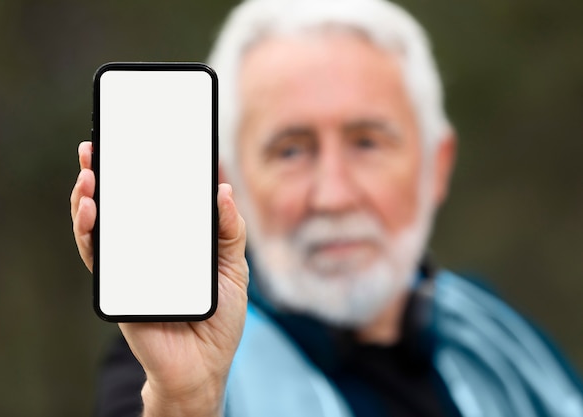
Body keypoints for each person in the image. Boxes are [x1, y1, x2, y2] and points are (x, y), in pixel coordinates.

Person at [70, 0, 583, 416]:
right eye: (290, 150)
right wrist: (183, 400)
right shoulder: (173, 363)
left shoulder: (497, 333)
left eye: (367, 143)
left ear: (436, 166)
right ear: (229, 178)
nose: (333, 196)